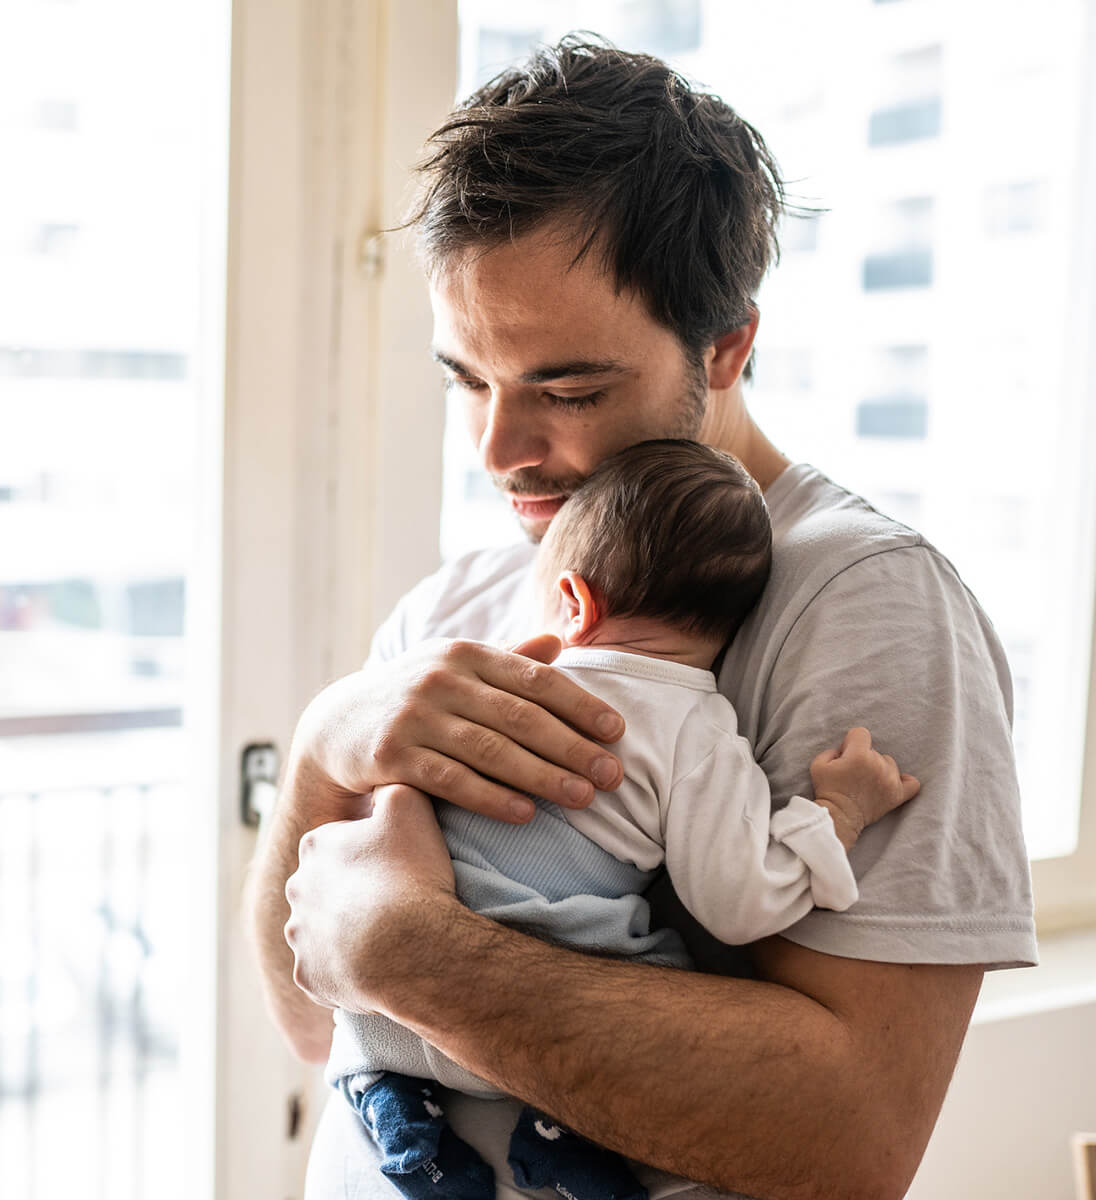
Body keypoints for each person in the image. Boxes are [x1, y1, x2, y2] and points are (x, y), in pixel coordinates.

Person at [250, 35, 1037, 1200]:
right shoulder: (456, 599)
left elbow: (850, 1141)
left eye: (567, 389)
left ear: (726, 349)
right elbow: (309, 1028)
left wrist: (403, 951)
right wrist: (323, 745)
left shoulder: (865, 603)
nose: (499, 451)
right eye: (467, 378)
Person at [326, 438, 922, 1200]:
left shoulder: (493, 675)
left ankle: (390, 1103)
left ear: (573, 602)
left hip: (380, 1014)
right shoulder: (696, 731)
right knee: (666, 978)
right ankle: (561, 1131)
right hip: (526, 992)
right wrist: (837, 812)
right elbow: (742, 906)